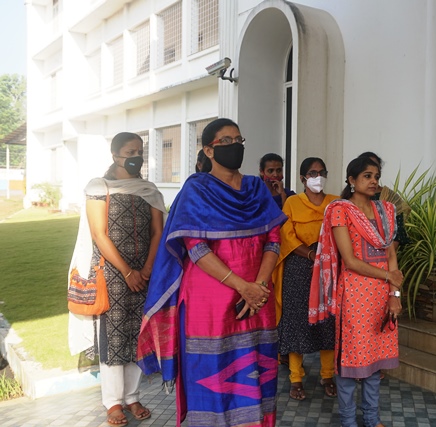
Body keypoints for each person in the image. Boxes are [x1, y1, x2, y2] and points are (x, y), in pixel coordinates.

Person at [137, 118, 288, 427]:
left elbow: (273, 238)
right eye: (226, 141)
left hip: (258, 297)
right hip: (211, 298)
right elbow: (196, 247)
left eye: (238, 140)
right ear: (208, 150)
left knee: (256, 367)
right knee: (215, 368)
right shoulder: (197, 189)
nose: (235, 146)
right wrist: (242, 286)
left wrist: (259, 285)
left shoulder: (256, 188)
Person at [68, 132, 166, 427]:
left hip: (144, 273)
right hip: (112, 274)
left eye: (139, 151)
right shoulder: (99, 187)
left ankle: (132, 397)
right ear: (115, 155)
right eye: (129, 152)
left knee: (138, 333)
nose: (136, 157)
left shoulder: (149, 189)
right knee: (113, 336)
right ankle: (113, 402)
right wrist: (127, 272)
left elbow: (157, 232)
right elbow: (99, 234)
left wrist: (147, 268)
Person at [309, 156, 403, 427]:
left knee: (376, 359)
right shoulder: (341, 210)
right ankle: (349, 422)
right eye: (367, 176)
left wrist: (394, 295)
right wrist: (389, 276)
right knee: (351, 360)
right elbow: (349, 260)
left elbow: (391, 256)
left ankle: (372, 419)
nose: (373, 181)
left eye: (376, 176)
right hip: (355, 292)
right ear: (352, 180)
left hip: (383, 293)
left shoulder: (386, 210)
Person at [273, 157, 339, 401]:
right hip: (299, 267)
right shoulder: (292, 203)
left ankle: (327, 375)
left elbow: (343, 233)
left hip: (328, 268)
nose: (317, 177)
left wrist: (324, 258)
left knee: (328, 319)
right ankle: (296, 378)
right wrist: (312, 255)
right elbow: (286, 235)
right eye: (312, 173)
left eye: (322, 172)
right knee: (296, 321)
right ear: (302, 178)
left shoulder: (335, 203)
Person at [358, 152, 410, 251]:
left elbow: (397, 235)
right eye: (367, 174)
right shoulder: (347, 203)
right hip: (353, 255)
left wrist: (383, 257)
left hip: (384, 255)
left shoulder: (391, 199)